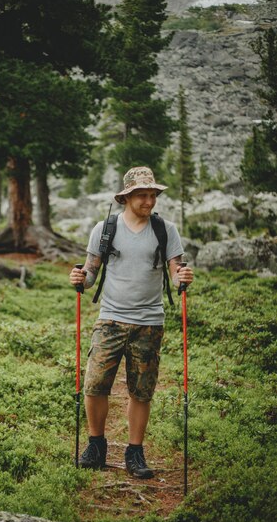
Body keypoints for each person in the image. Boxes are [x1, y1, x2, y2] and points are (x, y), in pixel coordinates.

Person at [69, 166, 194, 479]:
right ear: (126, 197)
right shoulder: (105, 228)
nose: (149, 201)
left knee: (142, 391)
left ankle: (134, 452)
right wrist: (80, 280)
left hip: (150, 322)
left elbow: (176, 269)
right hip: (110, 318)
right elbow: (91, 270)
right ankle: (96, 446)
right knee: (95, 384)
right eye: (143, 195)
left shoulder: (165, 230)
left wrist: (183, 278)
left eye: (152, 195)